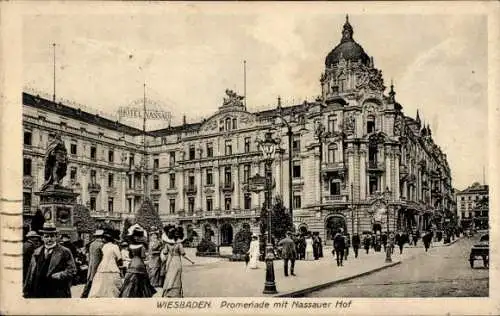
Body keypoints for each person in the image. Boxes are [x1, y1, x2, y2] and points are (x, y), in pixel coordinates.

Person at [23, 223, 76, 298]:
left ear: (56, 237)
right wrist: (26, 290)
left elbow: (72, 270)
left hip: (57, 291)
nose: (49, 239)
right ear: (42, 238)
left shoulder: (64, 251)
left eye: (52, 236)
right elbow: (30, 273)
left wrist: (60, 275)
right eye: (46, 236)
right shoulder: (37, 251)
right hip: (38, 290)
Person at [119, 225, 156, 297]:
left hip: (132, 264)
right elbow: (143, 256)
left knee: (129, 280)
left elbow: (130, 256)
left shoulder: (130, 246)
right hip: (140, 264)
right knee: (143, 280)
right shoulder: (142, 246)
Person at [88, 229, 123, 298]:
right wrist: (119, 264)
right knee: (113, 285)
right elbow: (119, 258)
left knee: (100, 284)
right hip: (112, 267)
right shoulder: (115, 246)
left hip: (102, 267)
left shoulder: (103, 246)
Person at [162, 226, 195, 298]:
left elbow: (164, 253)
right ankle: (176, 293)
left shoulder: (167, 244)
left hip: (170, 261)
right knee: (177, 277)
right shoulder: (179, 244)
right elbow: (184, 255)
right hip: (177, 261)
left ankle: (168, 291)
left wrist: (165, 260)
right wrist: (191, 261)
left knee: (170, 275)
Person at [81, 229, 104, 298]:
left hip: (91, 264)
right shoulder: (102, 244)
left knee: (90, 278)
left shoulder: (92, 244)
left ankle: (84, 294)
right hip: (98, 264)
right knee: (96, 279)